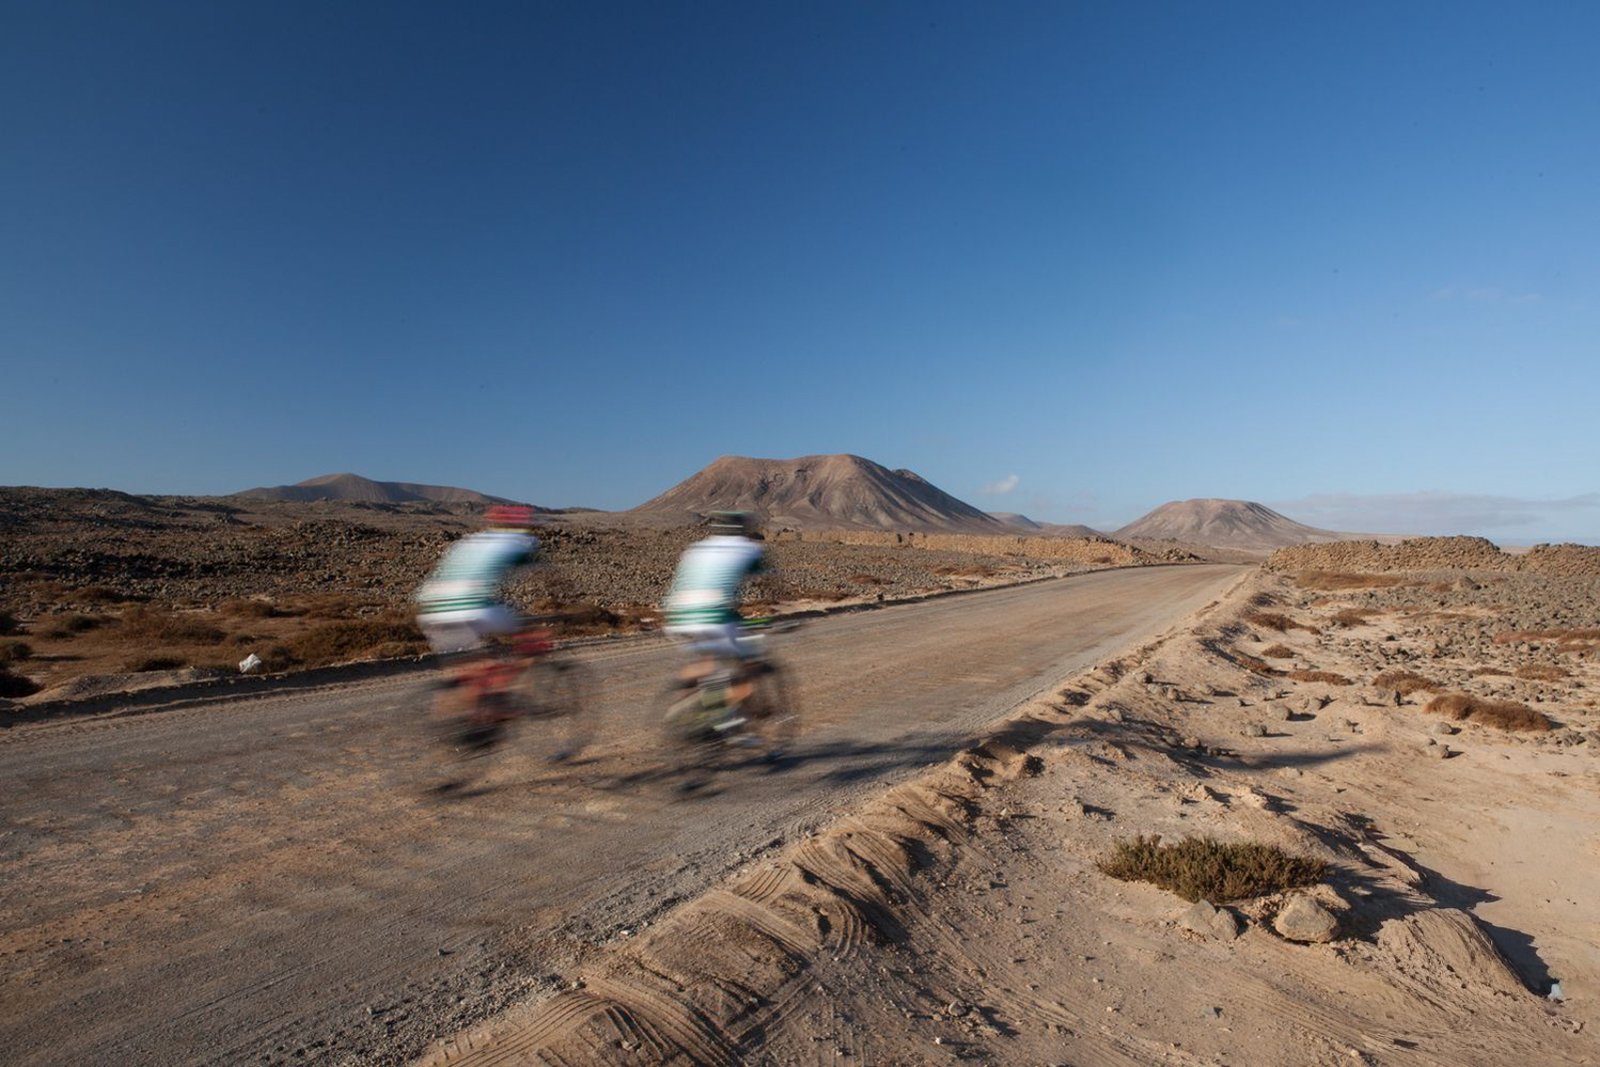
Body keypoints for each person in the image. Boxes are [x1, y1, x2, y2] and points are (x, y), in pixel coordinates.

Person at [662, 511, 769, 706]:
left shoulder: (695, 548)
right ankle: (715, 709)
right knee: (749, 670)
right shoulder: (748, 548)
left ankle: (680, 708)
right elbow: (770, 584)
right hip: (715, 617)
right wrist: (770, 618)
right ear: (744, 529)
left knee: (706, 662)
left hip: (678, 617)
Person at [415, 504, 542, 657]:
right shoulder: (514, 542)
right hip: (475, 609)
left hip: (433, 611)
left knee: (465, 658)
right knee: (523, 630)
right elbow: (537, 568)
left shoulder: (469, 541)